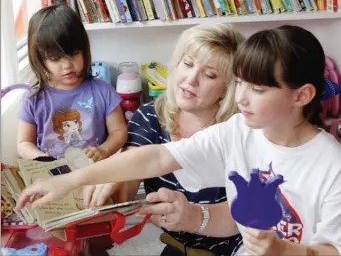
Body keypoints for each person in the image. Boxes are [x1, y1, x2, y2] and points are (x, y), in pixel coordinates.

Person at [15, 25, 341, 256]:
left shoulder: (331, 165)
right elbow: (157, 158)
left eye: (257, 89)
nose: (241, 97)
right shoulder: (240, 131)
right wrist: (70, 181)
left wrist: (283, 251)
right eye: (240, 83)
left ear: (302, 95)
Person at [83, 24, 245, 256]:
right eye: (187, 64)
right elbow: (130, 175)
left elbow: (243, 213)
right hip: (176, 247)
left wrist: (192, 217)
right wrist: (113, 180)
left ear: (228, 88)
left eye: (209, 74)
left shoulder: (238, 132)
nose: (191, 79)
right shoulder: (149, 116)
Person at [17, 4, 127, 162]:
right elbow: (23, 143)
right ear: (40, 59)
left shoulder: (103, 91)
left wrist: (103, 150)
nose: (67, 65)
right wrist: (40, 157)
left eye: (74, 54)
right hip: (53, 175)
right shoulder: (32, 98)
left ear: (84, 50)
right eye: (55, 58)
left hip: (93, 173)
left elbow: (119, 132)